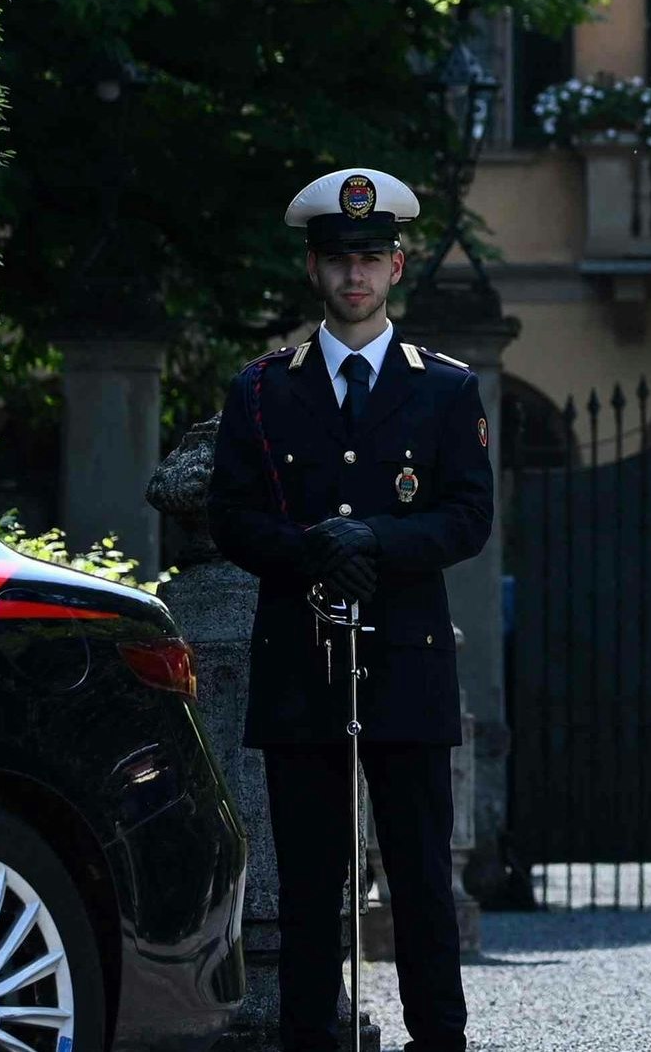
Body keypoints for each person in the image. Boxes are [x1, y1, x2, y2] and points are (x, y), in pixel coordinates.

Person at [206, 167, 494, 1052]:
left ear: (399, 266)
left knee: (418, 878)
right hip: (304, 654)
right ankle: (308, 1037)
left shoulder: (444, 388)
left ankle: (438, 1037)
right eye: (338, 260)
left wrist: (376, 541)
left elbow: (468, 515)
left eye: (370, 258)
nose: (354, 276)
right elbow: (232, 514)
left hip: (404, 653)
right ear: (314, 270)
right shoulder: (262, 390)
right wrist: (311, 552)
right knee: (306, 883)